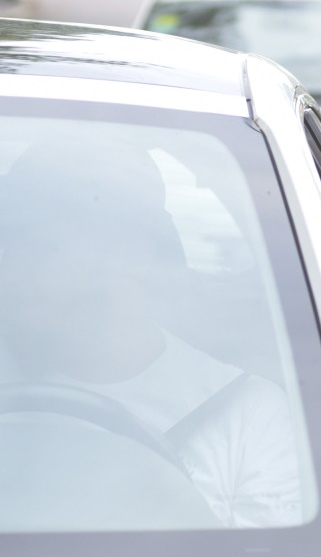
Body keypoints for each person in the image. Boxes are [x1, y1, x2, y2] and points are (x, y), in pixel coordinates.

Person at [0, 139, 302, 529]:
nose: (24, 270)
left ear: (142, 254)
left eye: (52, 247)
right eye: (27, 245)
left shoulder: (247, 412)